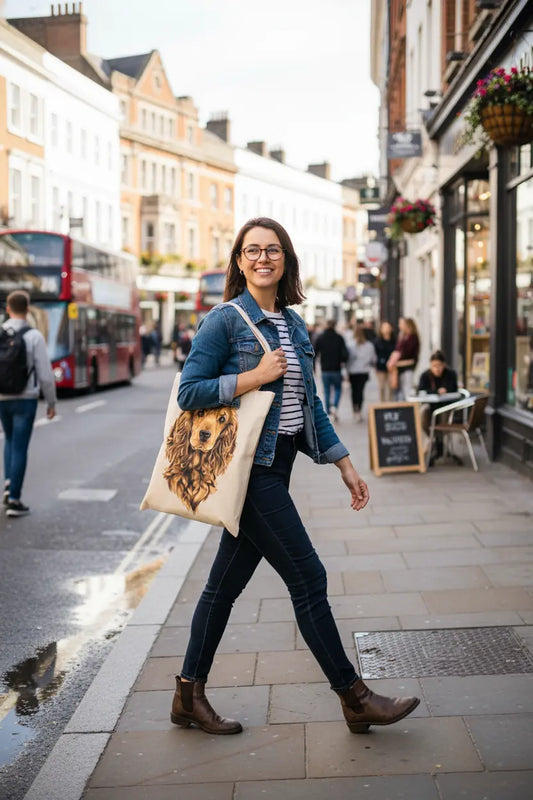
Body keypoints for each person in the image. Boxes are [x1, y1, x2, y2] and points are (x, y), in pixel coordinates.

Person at [170, 217, 419, 735]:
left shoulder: (296, 325)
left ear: (286, 260)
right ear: (239, 261)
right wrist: (254, 377)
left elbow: (310, 406)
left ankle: (187, 695)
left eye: (273, 250)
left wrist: (344, 463)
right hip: (249, 471)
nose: (263, 258)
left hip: (278, 466)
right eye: (253, 250)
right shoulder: (224, 320)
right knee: (309, 578)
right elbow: (189, 391)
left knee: (222, 588)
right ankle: (354, 697)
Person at [0, 290, 56, 517]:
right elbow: (45, 375)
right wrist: (51, 402)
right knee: (20, 446)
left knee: (9, 439)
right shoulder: (34, 336)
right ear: (28, 309)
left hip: (2, 397)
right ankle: (14, 499)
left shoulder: (0, 332)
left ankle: (8, 484)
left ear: (8, 309)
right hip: (25, 398)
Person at [417, 349, 459, 437]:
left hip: (446, 405)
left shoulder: (450, 374)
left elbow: (454, 389)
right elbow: (421, 391)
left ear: (444, 364)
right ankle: (432, 437)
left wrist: (446, 390)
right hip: (430, 405)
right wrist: (436, 391)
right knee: (423, 411)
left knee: (444, 414)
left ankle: (441, 439)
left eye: (439, 365)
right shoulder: (425, 375)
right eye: (434, 366)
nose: (437, 369)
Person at [314, 319, 348, 421]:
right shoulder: (339, 338)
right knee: (338, 389)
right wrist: (341, 361)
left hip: (325, 369)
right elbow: (345, 354)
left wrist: (314, 367)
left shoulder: (321, 337)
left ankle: (328, 412)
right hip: (336, 369)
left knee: (327, 391)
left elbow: (314, 353)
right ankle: (335, 407)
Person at [344, 320, 376, 422]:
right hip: (364, 371)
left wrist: (346, 370)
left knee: (354, 391)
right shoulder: (369, 345)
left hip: (353, 371)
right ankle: (359, 410)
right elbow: (373, 359)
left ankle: (355, 409)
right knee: (360, 391)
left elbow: (347, 359)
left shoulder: (350, 345)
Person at [387, 317, 420, 401]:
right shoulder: (402, 336)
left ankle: (407, 406)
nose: (400, 326)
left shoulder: (412, 338)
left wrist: (396, 358)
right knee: (399, 390)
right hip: (400, 368)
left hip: (407, 367)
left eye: (402, 324)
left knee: (407, 389)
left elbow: (407, 353)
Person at [374, 321, 396, 402]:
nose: (386, 329)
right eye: (384, 327)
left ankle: (390, 403)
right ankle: (382, 403)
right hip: (381, 367)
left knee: (390, 387)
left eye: (388, 327)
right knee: (382, 387)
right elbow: (375, 355)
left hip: (392, 367)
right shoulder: (377, 341)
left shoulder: (394, 341)